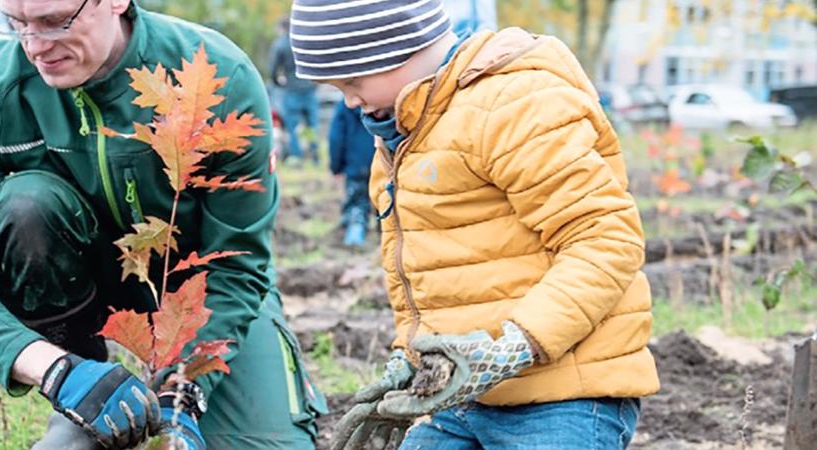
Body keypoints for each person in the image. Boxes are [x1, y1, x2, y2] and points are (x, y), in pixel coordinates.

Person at [0, 1, 326, 449]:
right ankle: (90, 395)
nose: (35, 47)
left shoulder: (217, 75)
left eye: (56, 22)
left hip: (206, 300)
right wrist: (60, 373)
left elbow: (236, 265)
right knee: (26, 205)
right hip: (84, 301)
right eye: (17, 24)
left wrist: (184, 390)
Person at [289, 1, 659, 449]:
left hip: (565, 392)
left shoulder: (513, 106)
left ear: (397, 48)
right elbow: (424, 271)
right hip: (467, 395)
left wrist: (518, 344)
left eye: (352, 81)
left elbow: (605, 239)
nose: (348, 99)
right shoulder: (402, 136)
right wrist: (410, 356)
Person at [269, 17, 319, 164]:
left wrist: (277, 83)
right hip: (309, 88)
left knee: (293, 126)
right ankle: (314, 154)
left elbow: (273, 69)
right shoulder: (303, 40)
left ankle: (297, 157)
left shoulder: (280, 45)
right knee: (311, 125)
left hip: (291, 90)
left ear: (281, 28)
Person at [327, 101, 374, 247]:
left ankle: (355, 236)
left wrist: (336, 167)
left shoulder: (345, 105)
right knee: (386, 202)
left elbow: (336, 138)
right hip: (382, 160)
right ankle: (385, 239)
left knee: (356, 202)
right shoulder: (382, 98)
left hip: (356, 164)